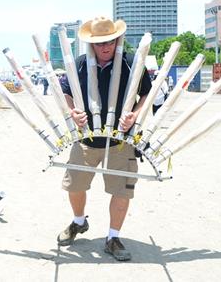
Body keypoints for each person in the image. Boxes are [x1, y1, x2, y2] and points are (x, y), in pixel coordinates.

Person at [58, 16, 152, 261]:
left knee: (122, 190)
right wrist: (72, 111)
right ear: (91, 43)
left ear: (118, 39)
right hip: (86, 139)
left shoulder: (133, 63)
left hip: (121, 141)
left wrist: (135, 115)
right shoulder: (78, 65)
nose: (105, 47)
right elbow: (65, 91)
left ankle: (113, 237)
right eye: (100, 43)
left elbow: (146, 95)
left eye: (110, 41)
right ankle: (79, 222)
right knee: (74, 185)